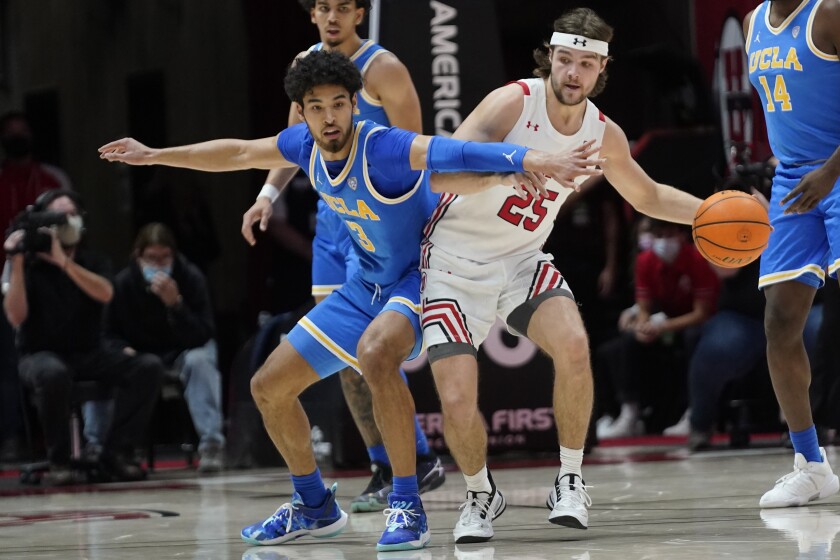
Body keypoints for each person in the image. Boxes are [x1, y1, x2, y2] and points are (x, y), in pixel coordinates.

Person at [98, 49, 599, 550]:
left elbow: (453, 153)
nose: (329, 116)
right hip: (365, 284)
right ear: (302, 111)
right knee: (268, 387)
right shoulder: (302, 145)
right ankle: (314, 505)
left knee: (376, 354)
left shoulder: (382, 147)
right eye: (316, 107)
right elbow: (237, 153)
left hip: (420, 274)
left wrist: (529, 159)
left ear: (355, 104)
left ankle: (407, 502)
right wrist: (155, 154)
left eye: (339, 104)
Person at [422, 7, 710, 542]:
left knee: (575, 345)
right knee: (458, 399)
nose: (573, 73)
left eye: (586, 63)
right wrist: (515, 166)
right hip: (452, 265)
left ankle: (571, 479)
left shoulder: (605, 133)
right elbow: (440, 175)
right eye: (565, 59)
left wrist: (713, 211)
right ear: (549, 58)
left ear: (603, 69)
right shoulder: (514, 102)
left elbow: (647, 195)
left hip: (522, 261)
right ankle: (480, 494)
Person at [250, 0, 444, 512]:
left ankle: (415, 461)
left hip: (379, 218)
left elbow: (418, 154)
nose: (331, 17)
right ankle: (385, 464)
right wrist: (267, 196)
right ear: (310, 13)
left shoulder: (384, 69)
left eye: (342, 7)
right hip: (333, 220)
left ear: (360, 12)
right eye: (322, 7)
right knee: (342, 356)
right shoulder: (305, 68)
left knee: (370, 350)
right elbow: (289, 145)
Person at [743, 0, 840, 507]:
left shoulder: (829, 13)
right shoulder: (752, 23)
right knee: (780, 321)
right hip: (792, 182)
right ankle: (811, 464)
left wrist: (830, 173)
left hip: (837, 171)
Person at [3, 189, 162, 484]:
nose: (67, 222)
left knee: (148, 367)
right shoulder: (28, 265)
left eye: (72, 215)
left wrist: (64, 262)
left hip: (88, 351)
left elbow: (106, 293)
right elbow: (15, 316)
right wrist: (18, 261)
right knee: (53, 373)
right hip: (39, 354)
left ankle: (114, 452)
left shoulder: (93, 261)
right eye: (59, 216)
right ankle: (59, 461)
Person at [86, 222, 226, 472]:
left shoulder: (191, 277)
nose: (159, 265)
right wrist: (122, 350)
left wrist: (177, 306)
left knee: (201, 360)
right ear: (138, 257)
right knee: (104, 365)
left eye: (165, 257)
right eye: (152, 258)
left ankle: (212, 445)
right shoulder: (123, 284)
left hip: (183, 351)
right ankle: (98, 445)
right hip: (140, 357)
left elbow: (205, 332)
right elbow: (107, 334)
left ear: (174, 256)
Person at [595, 219, 719, 439]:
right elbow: (643, 307)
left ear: (681, 235)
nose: (663, 240)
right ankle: (630, 413)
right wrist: (644, 325)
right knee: (626, 343)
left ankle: (694, 412)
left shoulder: (697, 258)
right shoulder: (645, 260)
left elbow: (702, 313)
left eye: (668, 234)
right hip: (664, 321)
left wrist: (661, 326)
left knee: (694, 339)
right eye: (658, 235)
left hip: (696, 322)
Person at [0, 110, 72, 462]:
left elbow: (71, 223)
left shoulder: (50, 178)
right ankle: (12, 435)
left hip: (50, 273)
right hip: (9, 273)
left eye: (22, 131)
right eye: (10, 132)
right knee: (7, 366)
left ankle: (52, 441)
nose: (17, 137)